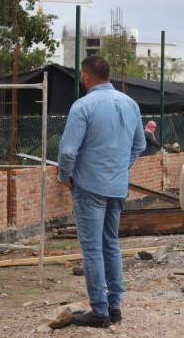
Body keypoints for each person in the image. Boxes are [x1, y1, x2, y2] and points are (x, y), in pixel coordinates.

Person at [57, 56, 146, 328]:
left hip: (89, 187)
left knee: (92, 248)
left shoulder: (83, 106)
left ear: (85, 77)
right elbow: (140, 145)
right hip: (117, 187)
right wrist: (120, 167)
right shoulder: (130, 104)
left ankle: (99, 310)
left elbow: (68, 150)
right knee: (111, 244)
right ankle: (115, 307)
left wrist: (65, 176)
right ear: (109, 75)